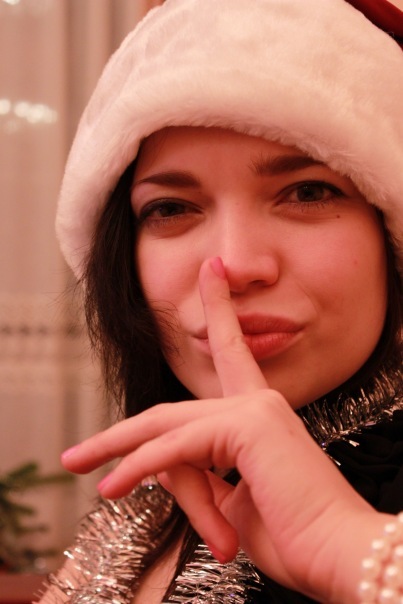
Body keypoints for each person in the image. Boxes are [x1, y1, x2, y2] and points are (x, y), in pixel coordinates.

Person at [38, 0, 403, 602]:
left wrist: (346, 545)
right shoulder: (151, 505)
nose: (234, 265)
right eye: (171, 208)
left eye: (307, 192)